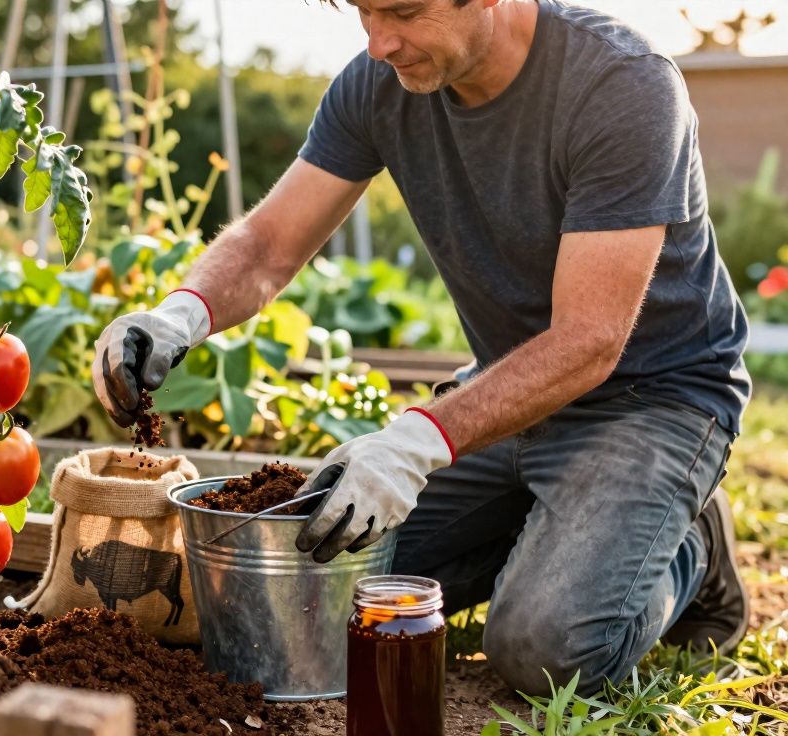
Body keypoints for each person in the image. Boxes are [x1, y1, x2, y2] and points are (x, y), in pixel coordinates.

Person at [91, 0, 750, 695]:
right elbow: (265, 246)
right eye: (365, 12)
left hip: (653, 402)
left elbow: (589, 340)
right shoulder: (378, 86)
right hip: (508, 395)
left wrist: (415, 444)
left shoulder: (621, 84)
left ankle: (689, 546)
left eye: (403, 12)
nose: (379, 44)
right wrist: (178, 314)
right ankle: (564, 525)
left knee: (546, 651)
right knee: (310, 588)